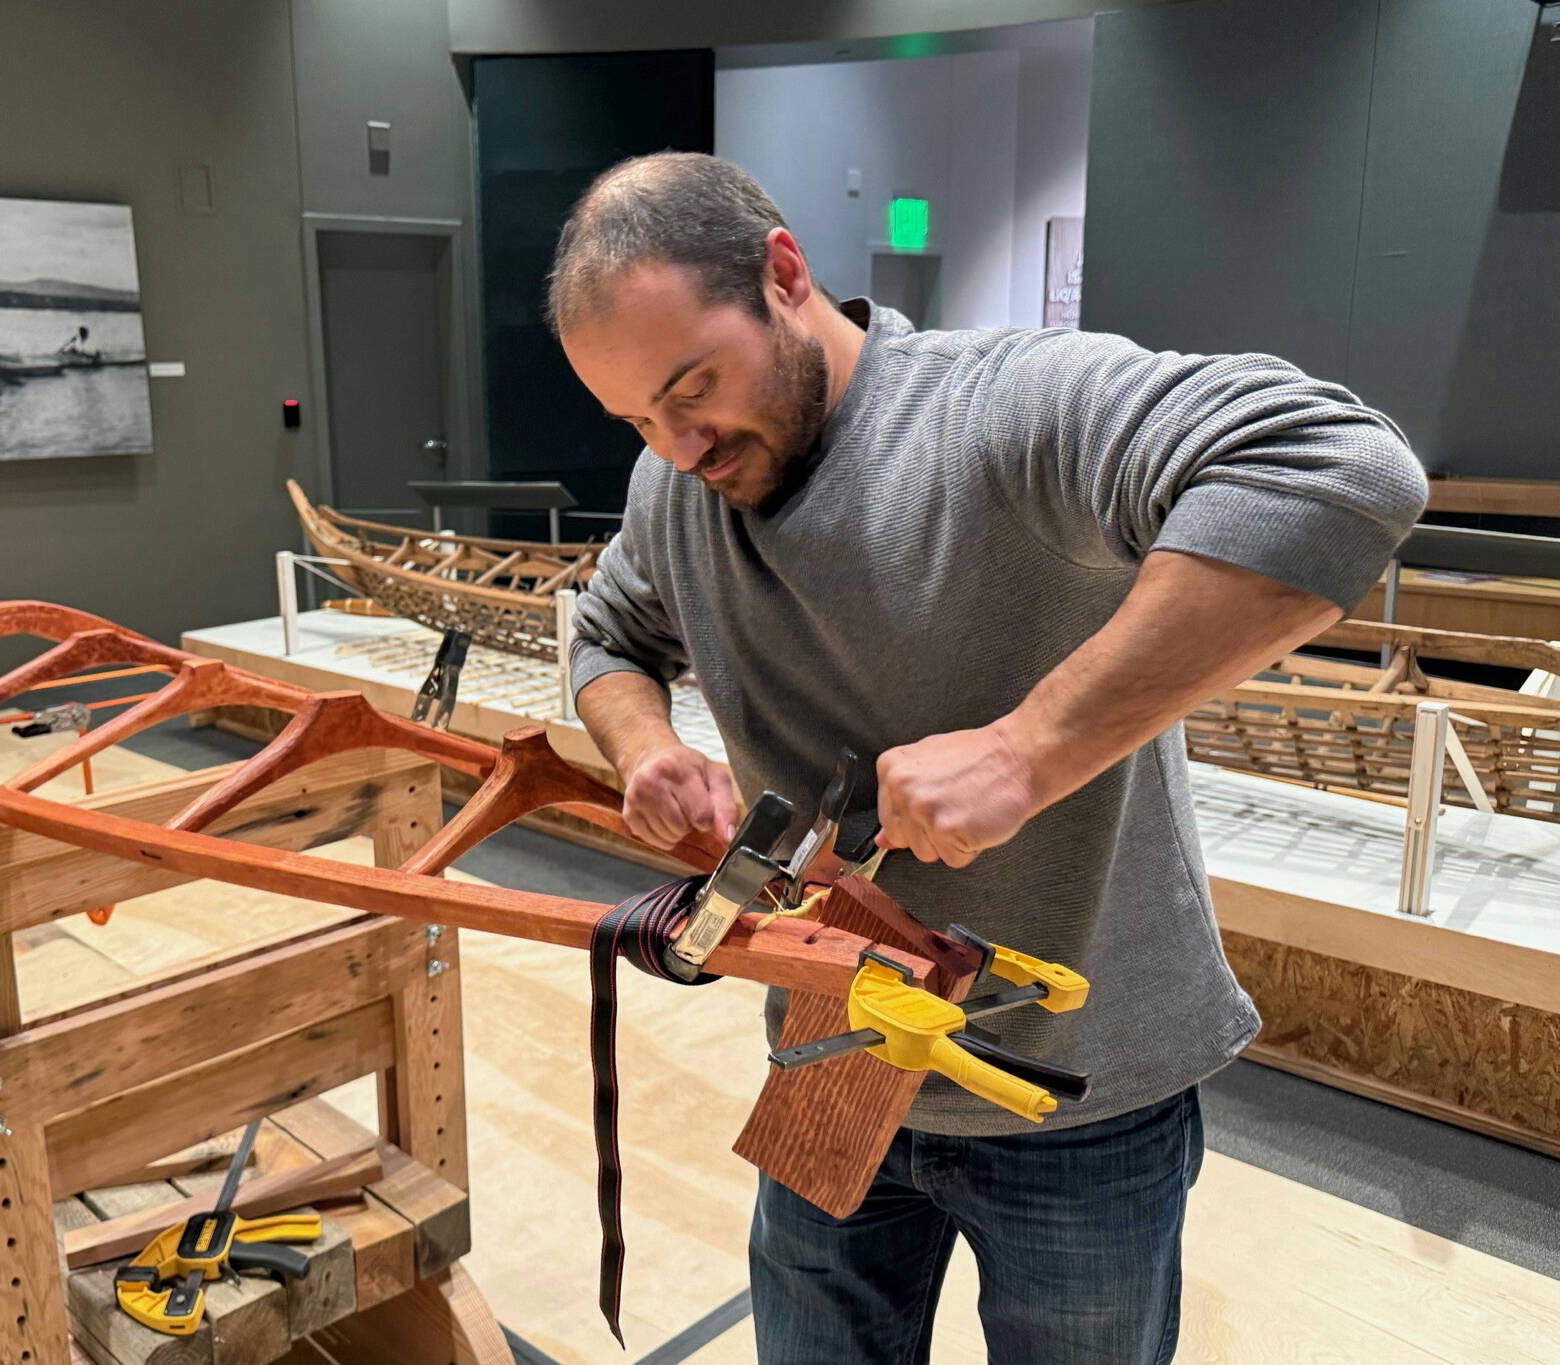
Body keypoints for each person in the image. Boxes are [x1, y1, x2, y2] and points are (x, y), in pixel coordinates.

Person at [549, 153, 1426, 1364]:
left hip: (1074, 1094)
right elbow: (604, 636)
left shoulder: (1003, 411)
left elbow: (1336, 467)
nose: (677, 445)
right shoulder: (670, 484)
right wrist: (644, 748)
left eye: (692, 387)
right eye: (636, 418)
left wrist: (1032, 748)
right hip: (828, 1051)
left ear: (784, 277)